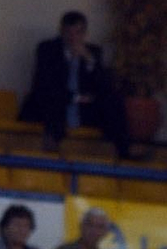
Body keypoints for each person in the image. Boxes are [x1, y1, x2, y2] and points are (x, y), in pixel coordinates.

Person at [20, 10, 127, 153]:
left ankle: (123, 150)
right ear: (61, 31)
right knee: (51, 100)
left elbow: (104, 86)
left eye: (78, 33)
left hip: (82, 109)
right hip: (55, 104)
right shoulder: (47, 49)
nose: (73, 37)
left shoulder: (93, 52)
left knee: (113, 101)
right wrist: (76, 97)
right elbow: (44, 84)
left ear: (85, 34)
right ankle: (51, 144)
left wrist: (89, 60)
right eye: (68, 32)